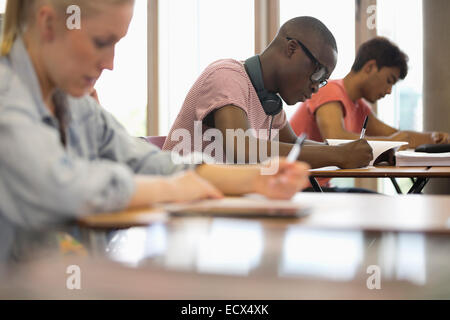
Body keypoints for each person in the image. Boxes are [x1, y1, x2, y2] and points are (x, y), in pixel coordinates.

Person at [0, 0, 310, 240]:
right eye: (101, 42)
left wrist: (256, 179)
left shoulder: (72, 101)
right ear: (49, 24)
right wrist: (171, 190)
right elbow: (62, 186)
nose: (110, 63)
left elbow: (144, 161)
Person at [163, 16, 374, 171]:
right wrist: (338, 155)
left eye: (323, 80)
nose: (317, 87)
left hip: (218, 209)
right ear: (292, 48)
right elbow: (243, 150)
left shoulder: (269, 101)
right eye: (318, 72)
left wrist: (357, 151)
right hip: (181, 211)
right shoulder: (227, 76)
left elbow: (293, 144)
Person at [290, 36, 449, 148]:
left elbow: (396, 135)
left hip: (320, 187)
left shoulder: (360, 107)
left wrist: (435, 137)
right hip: (297, 189)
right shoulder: (330, 89)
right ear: (370, 67)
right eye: (389, 80)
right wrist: (390, 143)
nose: (388, 91)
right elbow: (334, 139)